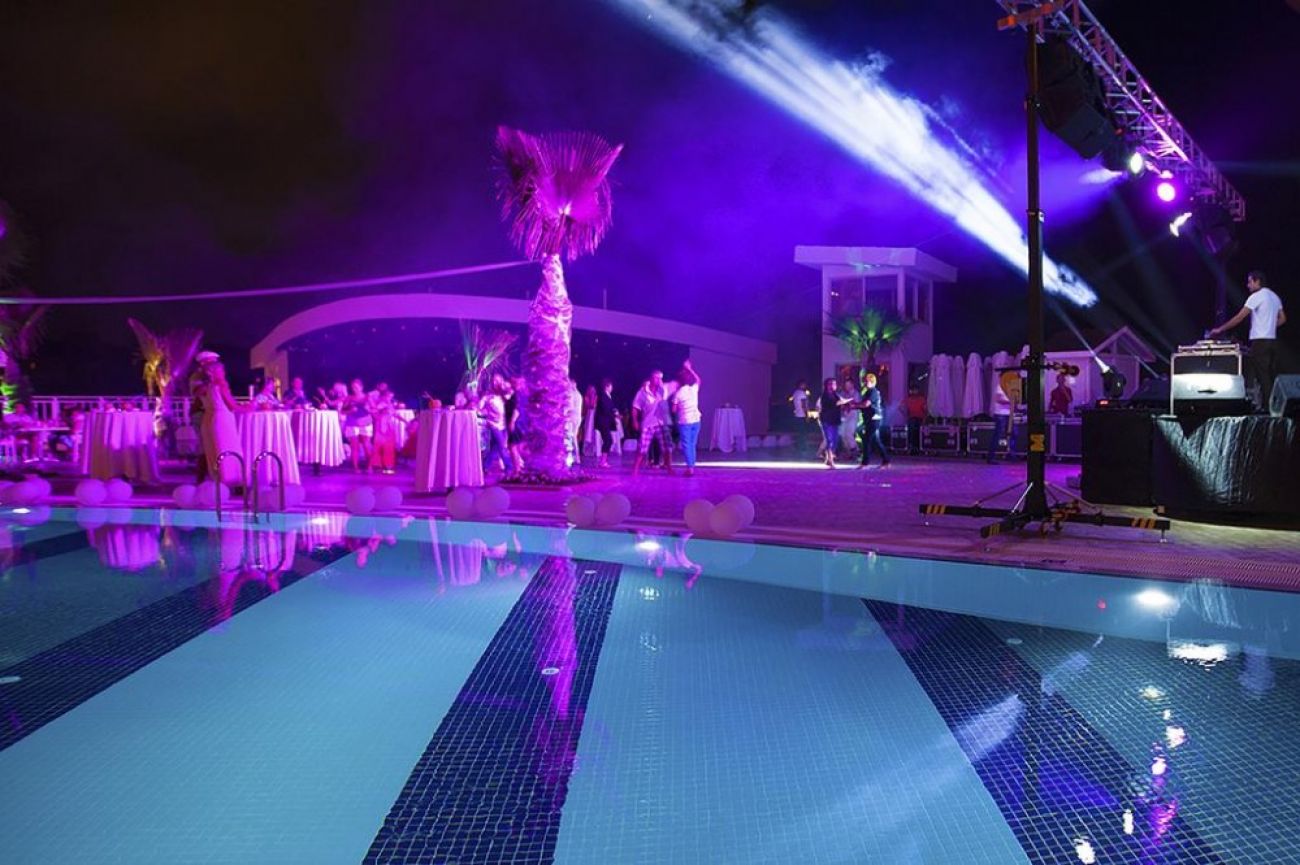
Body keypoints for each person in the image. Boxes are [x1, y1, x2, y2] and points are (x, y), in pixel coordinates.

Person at [1208, 270, 1286, 410]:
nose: (1248, 285)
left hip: (1260, 341)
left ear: (1257, 281)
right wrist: (1269, 326)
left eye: (1250, 281)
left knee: (1262, 375)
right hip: (1272, 341)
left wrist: (1220, 329)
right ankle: (1274, 405)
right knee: (1270, 374)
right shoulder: (1274, 296)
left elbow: (1240, 317)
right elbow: (1283, 319)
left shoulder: (1256, 296)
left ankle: (1268, 408)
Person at [198, 361, 245, 486]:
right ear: (215, 372)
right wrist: (251, 406)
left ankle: (217, 479)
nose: (224, 373)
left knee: (213, 450)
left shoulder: (204, 387)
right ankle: (231, 479)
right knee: (227, 448)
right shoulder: (221, 385)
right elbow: (232, 405)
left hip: (209, 419)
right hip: (223, 419)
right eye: (221, 371)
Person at [631, 372, 673, 476]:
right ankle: (635, 469)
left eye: (661, 378)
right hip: (648, 424)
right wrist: (635, 421)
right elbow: (635, 407)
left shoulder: (663, 390)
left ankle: (669, 468)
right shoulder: (642, 392)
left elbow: (673, 387)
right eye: (657, 378)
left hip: (661, 423)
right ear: (651, 378)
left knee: (666, 447)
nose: (659, 380)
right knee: (642, 448)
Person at [188, 351, 221, 481]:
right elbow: (197, 392)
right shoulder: (197, 376)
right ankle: (201, 478)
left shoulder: (213, 376)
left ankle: (213, 475)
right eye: (212, 362)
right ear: (204, 363)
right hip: (201, 413)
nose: (215, 364)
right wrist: (210, 382)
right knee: (204, 445)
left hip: (212, 412)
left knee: (213, 444)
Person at [671, 359, 702, 476]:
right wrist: (690, 369)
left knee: (687, 445)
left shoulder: (678, 393)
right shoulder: (693, 389)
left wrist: (679, 406)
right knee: (692, 444)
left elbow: (674, 410)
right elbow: (698, 380)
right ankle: (691, 466)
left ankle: (690, 468)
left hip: (685, 421)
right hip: (696, 420)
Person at [479, 374, 514, 476]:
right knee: (502, 446)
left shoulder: (505, 395)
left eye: (498, 380)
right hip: (493, 425)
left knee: (495, 448)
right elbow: (479, 409)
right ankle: (509, 468)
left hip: (503, 424)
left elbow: (513, 401)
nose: (496, 383)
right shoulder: (488, 397)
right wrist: (486, 413)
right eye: (494, 381)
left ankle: (484, 466)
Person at [857, 372, 891, 468]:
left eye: (867, 381)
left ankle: (865, 463)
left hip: (873, 419)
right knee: (873, 439)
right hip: (869, 419)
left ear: (872, 382)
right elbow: (864, 404)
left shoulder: (873, 391)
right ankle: (886, 461)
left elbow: (866, 404)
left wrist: (854, 406)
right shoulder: (869, 391)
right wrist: (855, 405)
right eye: (865, 381)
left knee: (867, 439)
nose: (865, 383)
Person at [342, 378, 373, 471]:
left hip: (365, 422)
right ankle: (356, 467)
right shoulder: (349, 398)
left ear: (361, 387)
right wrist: (350, 411)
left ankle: (370, 466)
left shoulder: (367, 397)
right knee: (354, 446)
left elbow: (374, 409)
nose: (354, 389)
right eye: (353, 387)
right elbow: (342, 411)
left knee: (367, 445)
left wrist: (369, 409)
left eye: (356, 387)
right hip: (352, 423)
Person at [817, 378, 848, 468]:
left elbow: (841, 405)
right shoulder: (824, 396)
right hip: (826, 420)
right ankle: (831, 461)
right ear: (826, 386)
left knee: (835, 440)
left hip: (835, 420)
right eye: (830, 384)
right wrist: (838, 403)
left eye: (834, 384)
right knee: (829, 440)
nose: (832, 386)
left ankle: (828, 458)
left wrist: (845, 405)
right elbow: (827, 406)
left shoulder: (836, 395)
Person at [986, 375, 1016, 464]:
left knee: (1013, 434)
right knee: (998, 435)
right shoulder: (1000, 386)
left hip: (1009, 414)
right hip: (1000, 414)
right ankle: (991, 457)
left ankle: (1011, 454)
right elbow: (999, 399)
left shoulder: (1011, 387)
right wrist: (1010, 401)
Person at [593, 378, 620, 468]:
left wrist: (615, 413)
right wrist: (614, 414)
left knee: (608, 440)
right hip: (603, 422)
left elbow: (610, 408)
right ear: (607, 386)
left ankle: (603, 461)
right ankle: (603, 461)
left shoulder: (608, 396)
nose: (612, 388)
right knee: (608, 440)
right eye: (611, 386)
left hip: (606, 422)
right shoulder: (603, 395)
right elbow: (605, 409)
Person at [506, 375, 529, 474]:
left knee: (512, 446)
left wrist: (512, 422)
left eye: (513, 383)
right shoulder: (523, 394)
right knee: (517, 445)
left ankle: (517, 469)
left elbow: (517, 409)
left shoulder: (517, 395)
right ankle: (520, 467)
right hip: (521, 422)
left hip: (516, 423)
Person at [839, 375, 861, 458]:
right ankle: (849, 452)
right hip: (845, 417)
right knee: (842, 434)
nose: (847, 387)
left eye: (848, 385)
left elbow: (854, 405)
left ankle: (855, 450)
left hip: (853, 416)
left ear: (852, 384)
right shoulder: (844, 393)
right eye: (846, 385)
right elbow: (840, 403)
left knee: (849, 433)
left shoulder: (856, 394)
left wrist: (846, 405)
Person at [903, 386, 926, 455]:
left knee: (916, 432)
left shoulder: (921, 399)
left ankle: (915, 447)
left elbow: (925, 409)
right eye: (913, 390)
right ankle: (914, 447)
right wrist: (906, 415)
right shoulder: (909, 399)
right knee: (913, 432)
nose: (914, 392)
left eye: (915, 390)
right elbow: (900, 407)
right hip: (913, 418)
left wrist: (925, 417)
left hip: (919, 418)